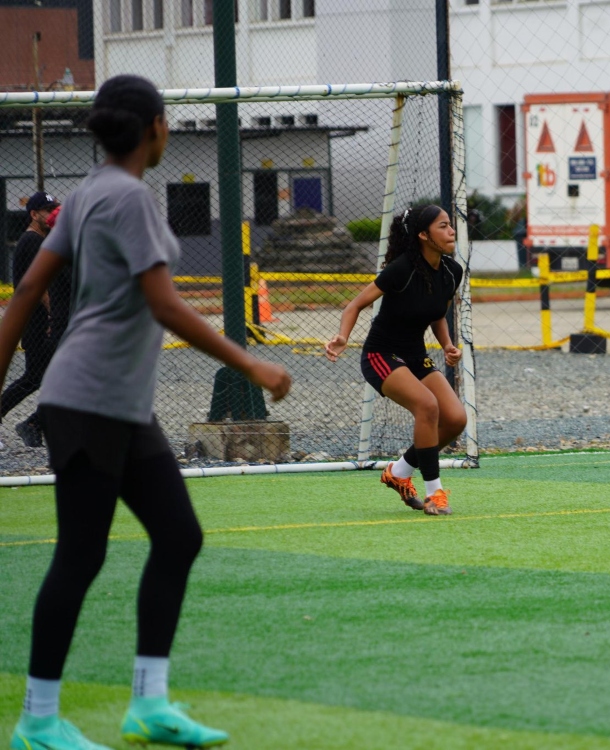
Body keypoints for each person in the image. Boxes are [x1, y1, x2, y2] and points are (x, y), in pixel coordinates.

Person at [1, 74, 292, 750]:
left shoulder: (87, 196)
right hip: (90, 398)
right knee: (80, 555)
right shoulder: (128, 198)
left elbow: (26, 292)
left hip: (114, 404)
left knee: (178, 535)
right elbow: (164, 303)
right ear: (156, 128)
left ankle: (148, 704)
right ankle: (38, 720)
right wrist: (250, 363)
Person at [325, 204, 466, 515]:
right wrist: (342, 337)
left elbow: (437, 314)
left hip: (415, 356)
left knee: (456, 419)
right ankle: (435, 494)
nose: (451, 230)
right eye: (442, 226)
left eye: (449, 225)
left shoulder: (451, 271)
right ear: (423, 235)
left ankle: (399, 472)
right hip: (381, 355)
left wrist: (447, 345)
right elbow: (354, 306)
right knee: (427, 406)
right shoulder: (401, 269)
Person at [0, 191, 61, 448]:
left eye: (53, 209)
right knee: (36, 376)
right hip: (37, 321)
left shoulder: (37, 241)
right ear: (34, 214)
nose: (51, 214)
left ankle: (35, 424)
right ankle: (32, 423)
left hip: (36, 320)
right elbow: (41, 287)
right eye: (46, 211)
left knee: (43, 376)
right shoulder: (33, 242)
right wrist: (53, 315)